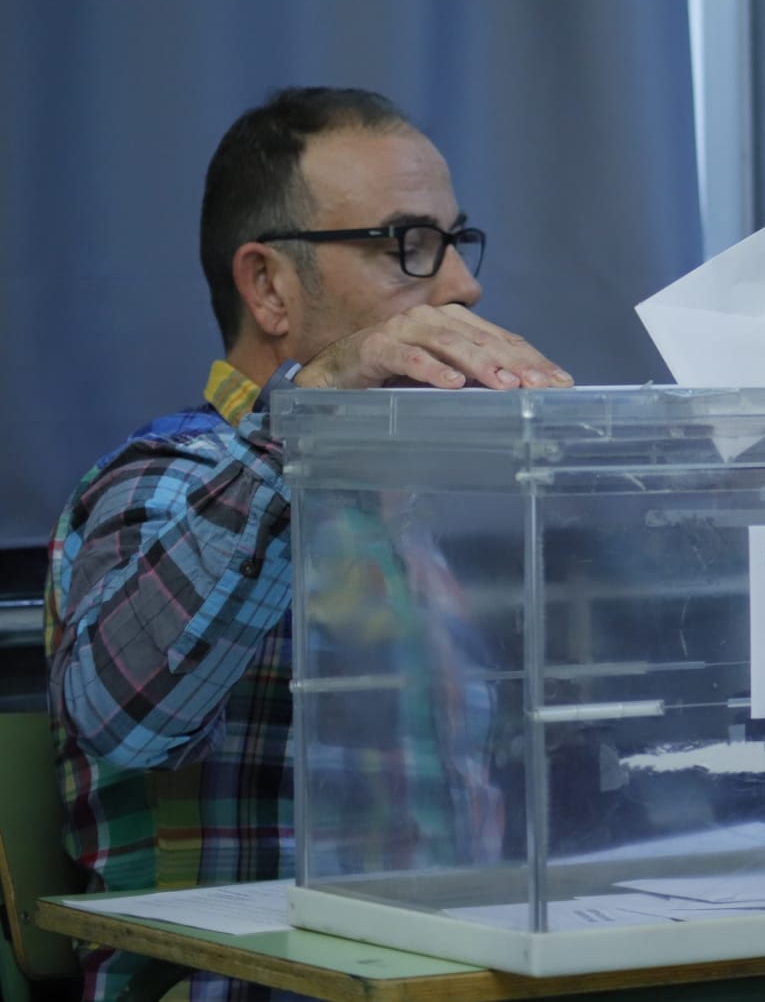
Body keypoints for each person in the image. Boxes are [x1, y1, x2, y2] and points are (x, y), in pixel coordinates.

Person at [45, 88, 571, 1002]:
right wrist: (304, 419)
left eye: (456, 240)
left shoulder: (404, 513)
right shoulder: (164, 476)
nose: (462, 286)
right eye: (408, 244)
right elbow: (114, 717)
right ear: (269, 287)